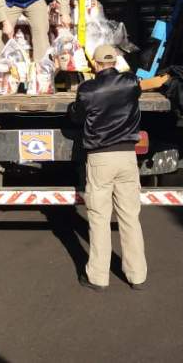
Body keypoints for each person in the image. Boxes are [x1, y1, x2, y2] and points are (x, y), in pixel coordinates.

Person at [68, 45, 147, 291]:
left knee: (99, 218)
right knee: (130, 217)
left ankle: (98, 277)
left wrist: (73, 108)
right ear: (116, 61)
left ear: (95, 63)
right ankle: (137, 276)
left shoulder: (88, 89)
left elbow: (77, 116)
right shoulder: (131, 83)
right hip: (127, 157)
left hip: (100, 158)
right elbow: (136, 86)